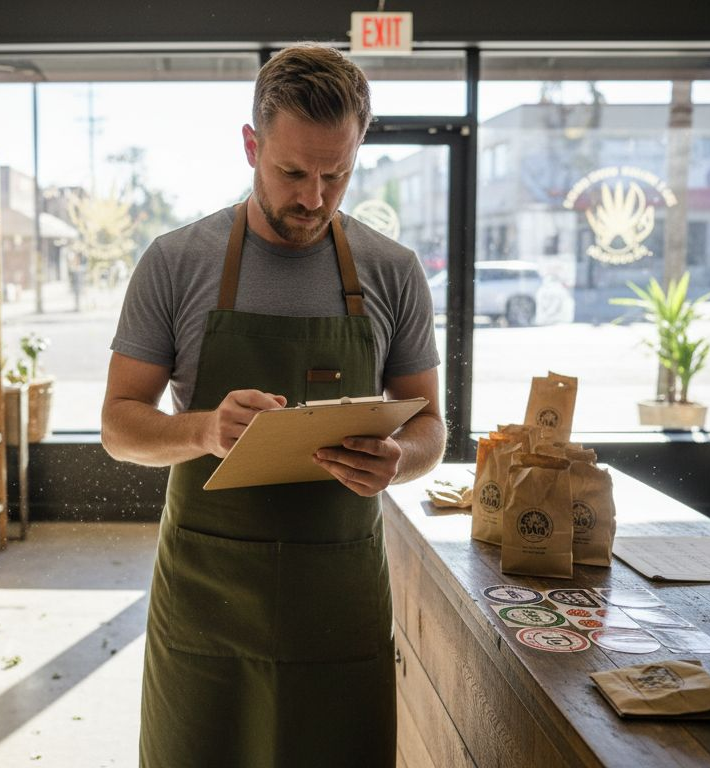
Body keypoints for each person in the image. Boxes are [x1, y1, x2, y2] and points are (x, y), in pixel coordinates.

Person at [100, 45, 445, 767]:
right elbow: (119, 425)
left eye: (336, 174)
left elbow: (429, 424)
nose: (314, 198)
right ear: (251, 145)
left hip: (339, 599)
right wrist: (201, 428)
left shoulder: (394, 271)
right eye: (292, 172)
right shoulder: (175, 262)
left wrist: (399, 458)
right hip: (206, 601)